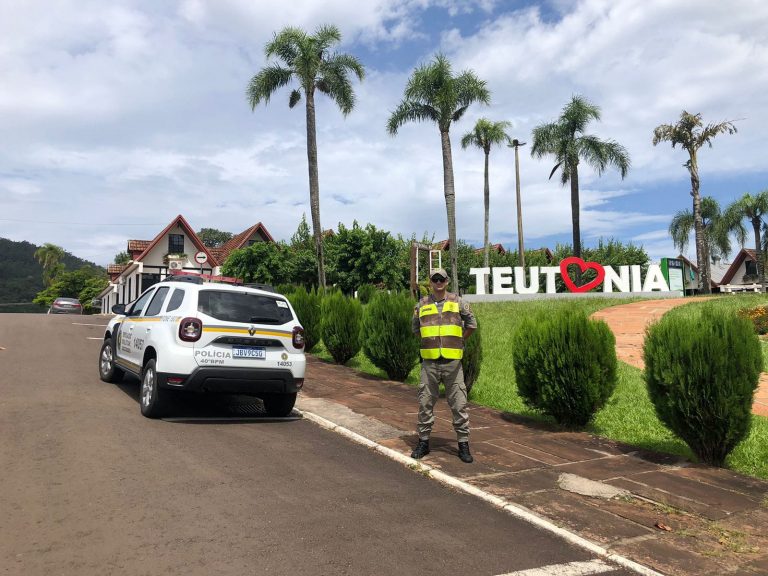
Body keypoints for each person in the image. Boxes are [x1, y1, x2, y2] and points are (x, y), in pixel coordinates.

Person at [411, 267, 477, 463]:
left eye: (442, 279)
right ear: (430, 282)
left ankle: (463, 445)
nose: (438, 282)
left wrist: (460, 340)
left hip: (452, 364)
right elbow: (416, 329)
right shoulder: (421, 304)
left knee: (459, 405)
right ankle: (423, 442)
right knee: (425, 403)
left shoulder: (458, 302)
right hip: (430, 363)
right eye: (435, 279)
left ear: (447, 281)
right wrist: (429, 342)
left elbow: (472, 324)